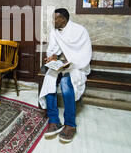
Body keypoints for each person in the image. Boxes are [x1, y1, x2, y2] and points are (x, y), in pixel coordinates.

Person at [39, 8, 92, 143]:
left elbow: (84, 54)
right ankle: (54, 120)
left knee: (65, 84)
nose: (53, 21)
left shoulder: (80, 31)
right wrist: (53, 57)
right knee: (49, 80)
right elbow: (52, 49)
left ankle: (70, 124)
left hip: (76, 66)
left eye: (56, 18)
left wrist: (71, 62)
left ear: (63, 19)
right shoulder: (55, 32)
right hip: (61, 65)